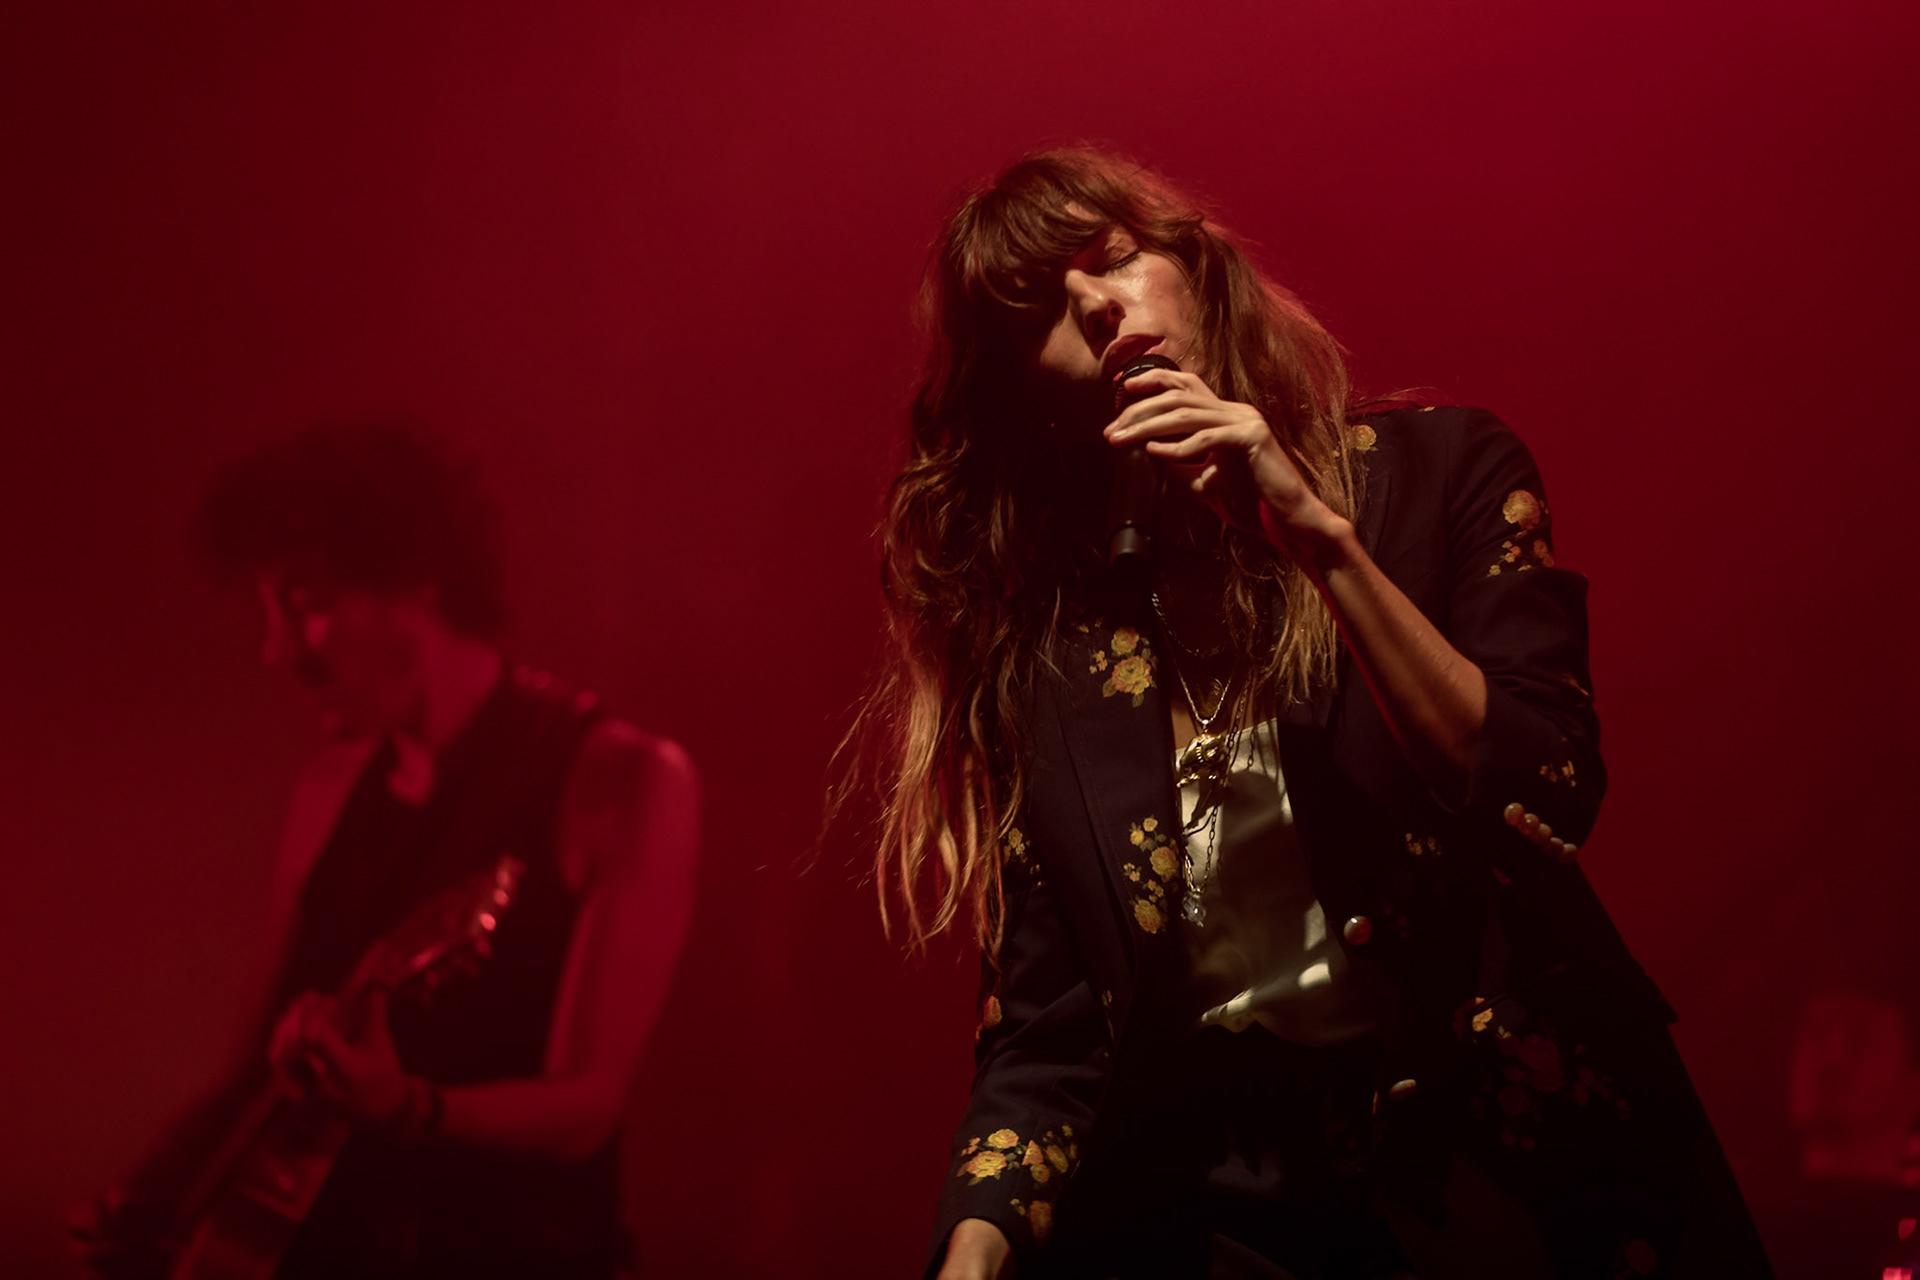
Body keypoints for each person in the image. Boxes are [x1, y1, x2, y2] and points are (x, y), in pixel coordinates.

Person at [852, 150, 1775, 1279]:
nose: (1094, 306)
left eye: (1112, 258)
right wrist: (969, 1254)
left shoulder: (1443, 474)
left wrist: (1315, 536)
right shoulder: (1053, 656)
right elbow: (1051, 1031)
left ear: (1194, 266)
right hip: (1244, 1211)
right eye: (1038, 309)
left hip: (1523, 1179)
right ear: (1027, 397)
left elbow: (1545, 787)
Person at [69, 422, 698, 1279]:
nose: (277, 652)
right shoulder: (331, 788)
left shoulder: (622, 779)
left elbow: (588, 1107)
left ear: (415, 580)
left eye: (305, 602)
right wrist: (146, 1201)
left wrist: (410, 1107)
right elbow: (253, 1072)